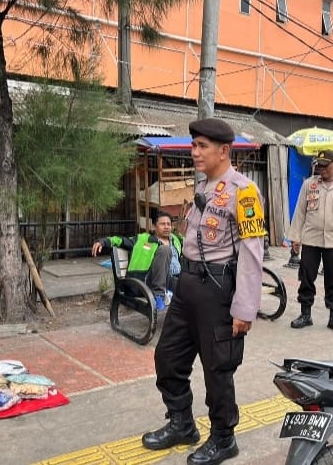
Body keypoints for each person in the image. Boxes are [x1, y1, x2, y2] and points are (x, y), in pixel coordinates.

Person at [141, 118, 265, 465]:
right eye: (194, 145)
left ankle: (224, 438)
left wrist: (245, 307)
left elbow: (252, 251)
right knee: (168, 358)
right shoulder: (204, 187)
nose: (194, 152)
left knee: (217, 370)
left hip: (217, 290)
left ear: (224, 151)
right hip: (188, 288)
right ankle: (181, 423)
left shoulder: (244, 191)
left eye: (202, 146)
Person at [287, 150, 333, 334]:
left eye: (325, 165)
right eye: (319, 165)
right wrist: (295, 237)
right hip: (311, 239)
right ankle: (305, 314)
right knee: (306, 276)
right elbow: (300, 212)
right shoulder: (308, 185)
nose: (321, 169)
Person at [91, 212, 182, 309]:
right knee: (165, 250)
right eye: (162, 224)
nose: (167, 227)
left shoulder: (175, 240)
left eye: (169, 224)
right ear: (154, 226)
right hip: (147, 280)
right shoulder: (143, 239)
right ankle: (159, 295)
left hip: (172, 280)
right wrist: (103, 241)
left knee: (195, 288)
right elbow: (121, 240)